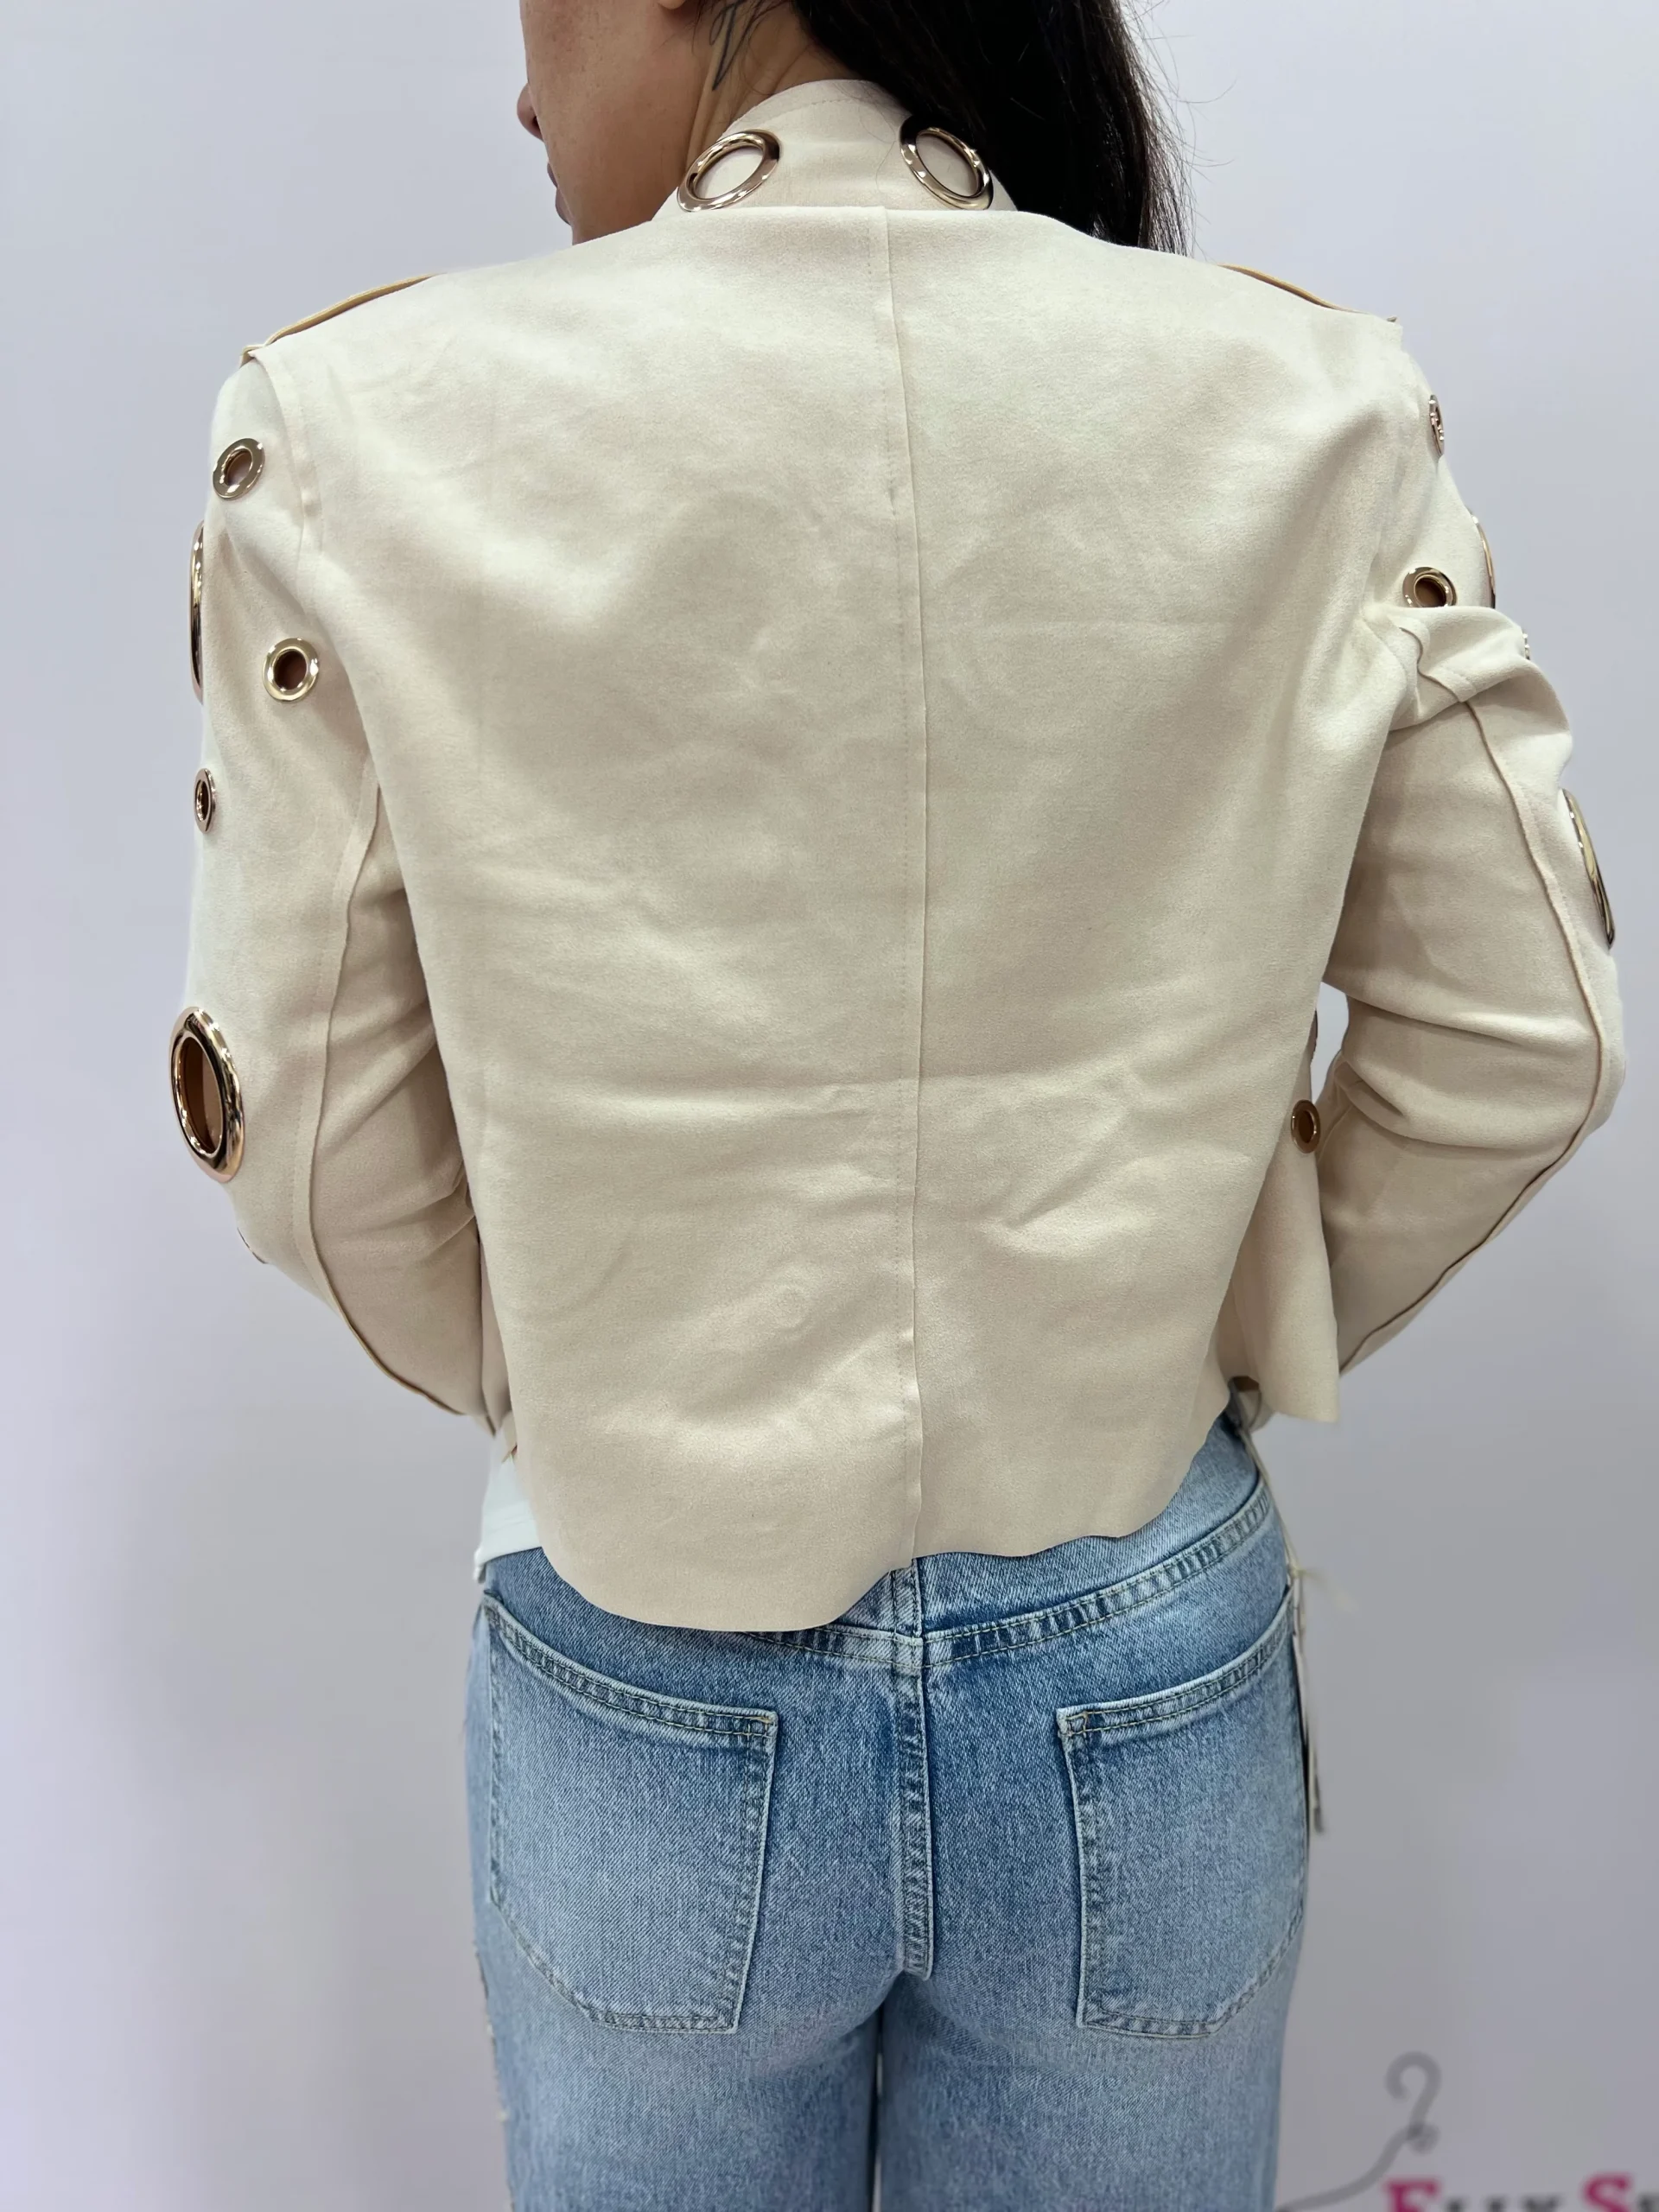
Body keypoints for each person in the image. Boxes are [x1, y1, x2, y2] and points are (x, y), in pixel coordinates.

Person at [169, 1, 1624, 2204]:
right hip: (1141, 1637)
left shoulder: (356, 425)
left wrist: (604, 1375)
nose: (521, 85)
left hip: (646, 1648)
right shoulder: (1312, 399)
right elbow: (1527, 1034)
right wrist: (1186, 1324)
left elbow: (304, 1140)